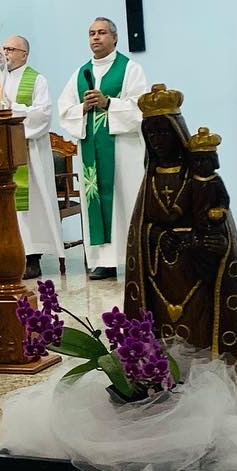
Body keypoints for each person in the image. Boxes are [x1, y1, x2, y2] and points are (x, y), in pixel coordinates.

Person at [125, 94, 237, 387]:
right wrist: (160, 236)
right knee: (165, 327)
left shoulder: (201, 178)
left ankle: (206, 382)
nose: (158, 140)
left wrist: (204, 241)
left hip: (194, 269)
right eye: (151, 133)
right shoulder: (149, 180)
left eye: (163, 132)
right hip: (160, 271)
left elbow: (216, 220)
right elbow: (142, 227)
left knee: (199, 324)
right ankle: (163, 378)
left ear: (178, 132)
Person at [57, 17, 148, 280]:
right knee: (95, 201)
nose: (95, 37)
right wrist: (82, 108)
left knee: (124, 199)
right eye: (91, 33)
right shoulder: (80, 74)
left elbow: (141, 107)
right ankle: (104, 262)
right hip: (91, 150)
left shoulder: (130, 69)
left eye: (101, 33)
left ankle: (132, 258)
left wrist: (109, 103)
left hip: (122, 152)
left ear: (115, 38)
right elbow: (65, 110)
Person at [0, 35, 64, 279]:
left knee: (30, 207)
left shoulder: (37, 80)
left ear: (24, 54)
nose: (5, 53)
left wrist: (12, 108)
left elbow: (43, 114)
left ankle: (32, 257)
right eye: (2, 49)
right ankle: (6, 253)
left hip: (28, 154)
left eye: (10, 49)